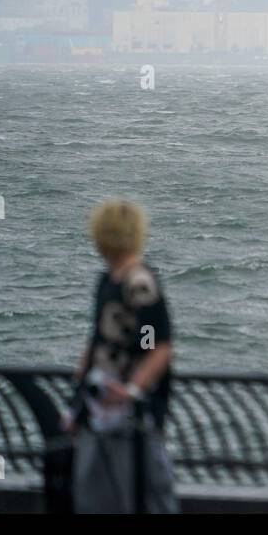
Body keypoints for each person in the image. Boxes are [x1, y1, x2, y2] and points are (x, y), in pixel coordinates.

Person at [65, 198, 178, 513]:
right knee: (101, 492)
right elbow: (102, 339)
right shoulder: (109, 279)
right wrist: (78, 400)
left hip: (131, 410)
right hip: (100, 402)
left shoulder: (138, 281)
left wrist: (132, 390)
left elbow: (158, 345)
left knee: (144, 490)